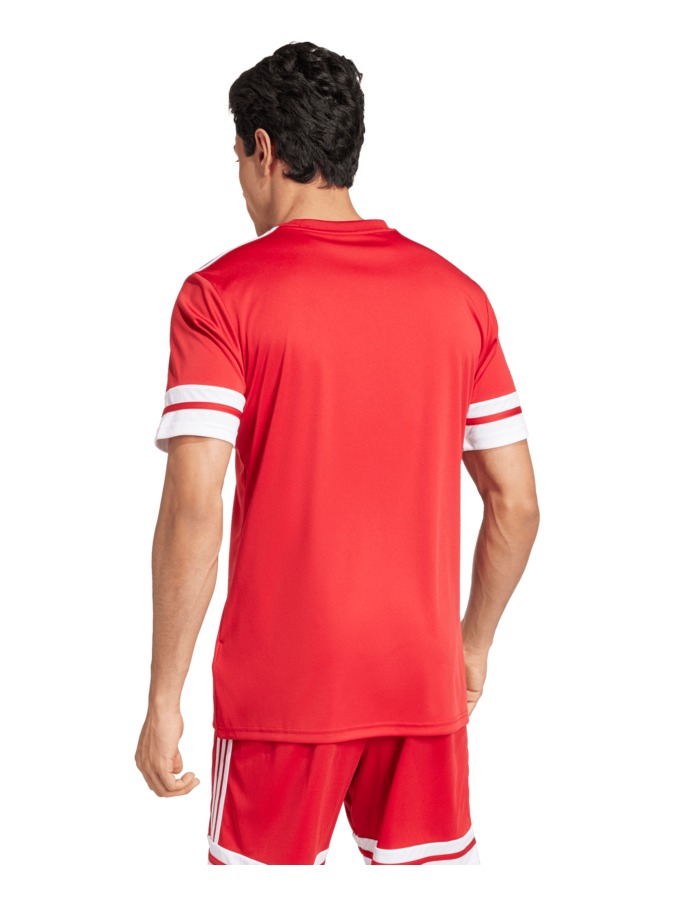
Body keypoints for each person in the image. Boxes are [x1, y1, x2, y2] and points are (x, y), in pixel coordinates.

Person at [134, 40, 540, 866]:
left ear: (262, 150)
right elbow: (517, 503)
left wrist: (163, 695)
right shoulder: (457, 297)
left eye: (236, 158)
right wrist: (468, 649)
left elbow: (193, 507)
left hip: (283, 693)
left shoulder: (219, 297)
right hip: (420, 684)